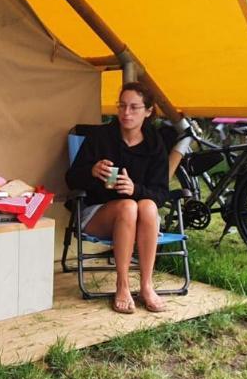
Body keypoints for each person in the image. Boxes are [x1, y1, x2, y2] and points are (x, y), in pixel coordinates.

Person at [66, 82, 172, 314]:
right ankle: (122, 285)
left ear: (148, 111)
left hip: (139, 219)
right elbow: (71, 180)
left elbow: (161, 193)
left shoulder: (155, 145)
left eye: (134, 107)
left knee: (146, 206)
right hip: (97, 214)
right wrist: (91, 170)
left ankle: (146, 285)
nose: (126, 113)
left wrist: (135, 189)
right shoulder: (100, 137)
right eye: (122, 106)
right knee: (127, 207)